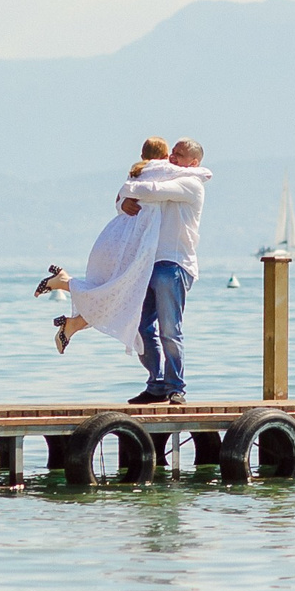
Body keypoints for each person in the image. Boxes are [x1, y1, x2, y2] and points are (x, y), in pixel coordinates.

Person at [34, 139, 170, 372]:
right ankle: (65, 286)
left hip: (113, 239)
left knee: (116, 295)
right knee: (116, 294)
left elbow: (120, 200)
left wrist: (122, 201)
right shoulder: (161, 174)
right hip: (129, 246)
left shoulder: (134, 177)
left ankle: (72, 319)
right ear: (166, 157)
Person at [118, 137, 209, 405]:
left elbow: (149, 191)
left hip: (175, 263)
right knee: (140, 327)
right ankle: (156, 383)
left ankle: (176, 387)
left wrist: (126, 188)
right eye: (172, 153)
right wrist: (122, 202)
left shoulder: (190, 183)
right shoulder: (167, 175)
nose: (171, 157)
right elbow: (131, 200)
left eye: (179, 155)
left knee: (170, 330)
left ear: (193, 162)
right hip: (148, 262)